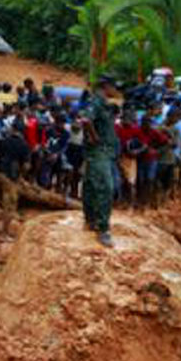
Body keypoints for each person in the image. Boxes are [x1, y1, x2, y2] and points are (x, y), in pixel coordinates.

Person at [81, 76, 118, 248]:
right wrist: (94, 137)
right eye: (113, 86)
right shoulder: (96, 102)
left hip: (102, 152)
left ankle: (90, 220)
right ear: (106, 86)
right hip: (99, 151)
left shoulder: (102, 103)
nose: (115, 90)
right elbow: (86, 120)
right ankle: (103, 229)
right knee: (105, 188)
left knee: (90, 184)